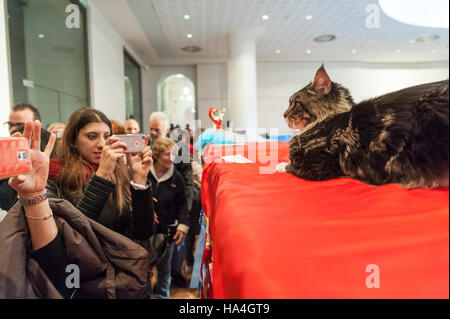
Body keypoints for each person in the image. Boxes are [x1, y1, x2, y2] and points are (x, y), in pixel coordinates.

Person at [46, 107, 154, 242]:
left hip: (116, 260)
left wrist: (139, 180)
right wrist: (101, 176)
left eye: (107, 136)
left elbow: (143, 233)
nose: (102, 144)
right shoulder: (56, 176)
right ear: (73, 141)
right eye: (92, 136)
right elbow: (75, 235)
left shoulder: (119, 172)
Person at [147, 137, 190, 299]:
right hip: (144, 233)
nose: (171, 158)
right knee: (144, 271)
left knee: (164, 270)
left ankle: (163, 296)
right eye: (167, 154)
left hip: (167, 232)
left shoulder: (176, 177)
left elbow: (183, 204)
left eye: (174, 154)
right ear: (157, 155)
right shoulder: (143, 173)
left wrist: (183, 225)